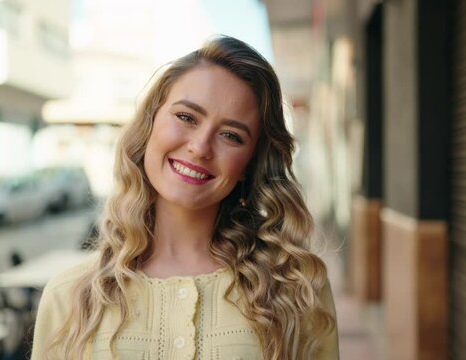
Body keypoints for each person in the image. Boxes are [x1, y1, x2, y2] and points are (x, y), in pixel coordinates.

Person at [31, 35, 339, 360]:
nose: (200, 147)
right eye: (186, 117)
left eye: (231, 135)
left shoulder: (297, 289)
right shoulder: (70, 297)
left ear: (250, 163)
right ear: (150, 124)